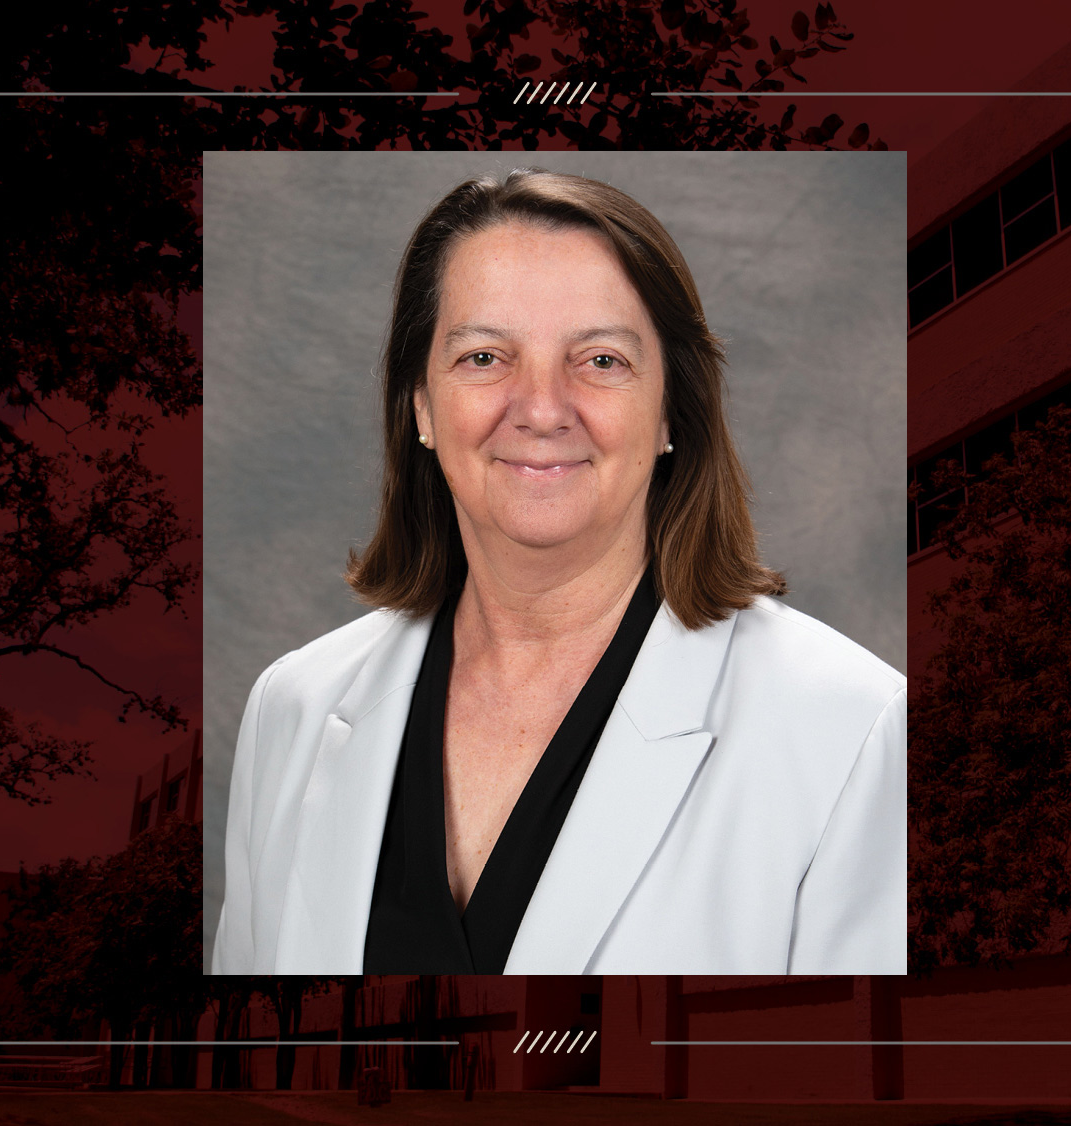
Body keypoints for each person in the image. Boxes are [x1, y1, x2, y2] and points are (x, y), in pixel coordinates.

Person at [214, 168, 905, 974]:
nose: (542, 408)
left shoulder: (854, 730)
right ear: (423, 408)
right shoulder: (290, 710)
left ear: (672, 411)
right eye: (483, 357)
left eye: (602, 360)